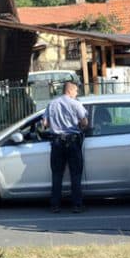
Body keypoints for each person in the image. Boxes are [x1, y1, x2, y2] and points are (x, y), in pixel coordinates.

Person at [42, 81, 89, 213]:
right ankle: (77, 205)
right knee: (75, 174)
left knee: (57, 174)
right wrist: (81, 126)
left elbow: (45, 123)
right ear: (70, 91)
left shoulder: (52, 104)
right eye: (76, 91)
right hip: (73, 142)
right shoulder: (76, 104)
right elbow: (85, 122)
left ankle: (55, 205)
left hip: (56, 142)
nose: (77, 93)